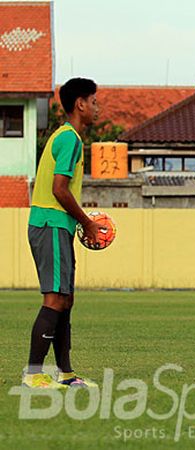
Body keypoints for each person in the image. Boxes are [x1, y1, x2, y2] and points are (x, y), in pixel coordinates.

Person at [22, 78, 103, 389]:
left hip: (57, 226)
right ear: (80, 104)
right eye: (94, 101)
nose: (98, 107)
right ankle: (33, 374)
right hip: (51, 224)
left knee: (65, 299)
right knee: (55, 298)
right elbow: (59, 189)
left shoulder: (67, 137)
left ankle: (66, 374)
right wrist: (88, 222)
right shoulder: (69, 138)